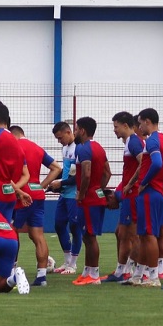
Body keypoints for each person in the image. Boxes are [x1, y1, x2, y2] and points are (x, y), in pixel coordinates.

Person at [122, 108, 163, 287]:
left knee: (149, 234)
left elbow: (157, 163)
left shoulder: (152, 140)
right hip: (156, 191)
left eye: (141, 122)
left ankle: (153, 277)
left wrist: (145, 182)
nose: (139, 126)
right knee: (143, 235)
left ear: (148, 122)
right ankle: (138, 274)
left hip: (151, 192)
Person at [10, 124, 57, 287]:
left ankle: (10, 274)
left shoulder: (14, 146)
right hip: (37, 194)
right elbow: (56, 168)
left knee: (12, 232)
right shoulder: (36, 148)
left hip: (20, 195)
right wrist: (41, 185)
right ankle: (42, 276)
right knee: (37, 235)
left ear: (12, 135)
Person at [103, 111, 143, 283]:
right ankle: (124, 268)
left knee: (130, 235)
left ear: (126, 125)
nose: (114, 130)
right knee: (120, 232)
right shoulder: (130, 142)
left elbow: (144, 163)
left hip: (133, 194)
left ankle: (130, 270)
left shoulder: (134, 142)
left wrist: (131, 184)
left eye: (116, 126)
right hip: (129, 193)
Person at [71, 117, 111, 286]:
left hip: (88, 199)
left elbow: (86, 174)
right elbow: (107, 173)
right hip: (96, 196)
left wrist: (83, 193)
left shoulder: (84, 149)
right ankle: (87, 271)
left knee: (90, 236)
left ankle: (94, 275)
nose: (74, 132)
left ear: (83, 131)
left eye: (76, 129)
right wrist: (98, 189)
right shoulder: (99, 148)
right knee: (87, 236)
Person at [45, 121, 83, 275]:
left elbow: (78, 177)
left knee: (75, 226)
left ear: (68, 132)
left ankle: (73, 265)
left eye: (60, 138)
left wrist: (60, 182)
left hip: (74, 195)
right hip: (64, 194)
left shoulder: (79, 149)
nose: (59, 141)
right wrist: (54, 183)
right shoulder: (65, 148)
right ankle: (67, 261)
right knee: (59, 225)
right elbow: (67, 172)